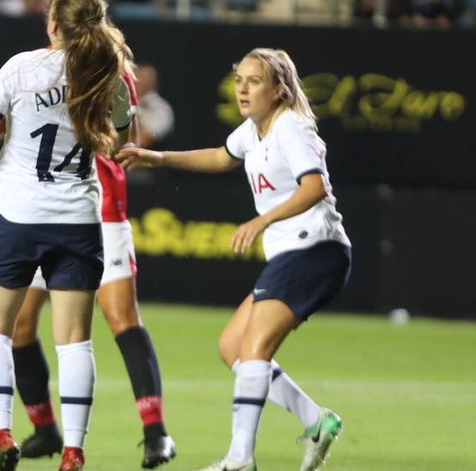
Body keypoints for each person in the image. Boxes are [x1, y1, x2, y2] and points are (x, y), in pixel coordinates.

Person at [117, 48, 351, 471]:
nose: (242, 88)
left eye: (254, 81)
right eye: (239, 80)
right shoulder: (254, 130)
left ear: (279, 90)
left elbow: (315, 187)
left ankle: (240, 458)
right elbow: (221, 156)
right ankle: (316, 421)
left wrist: (262, 221)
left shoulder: (290, 127)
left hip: (315, 249)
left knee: (256, 348)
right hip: (295, 253)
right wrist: (157, 156)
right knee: (232, 347)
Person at [0, 0, 127, 471]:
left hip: (16, 216)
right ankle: (73, 450)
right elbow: (118, 143)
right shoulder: (107, 74)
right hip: (77, 221)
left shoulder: (22, 68)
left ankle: (2, 435)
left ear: (52, 22)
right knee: (75, 340)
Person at [2, 47, 177, 469]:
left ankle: (156, 433)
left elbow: (124, 142)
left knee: (121, 317)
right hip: (44, 212)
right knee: (21, 324)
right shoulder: (39, 70)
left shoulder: (112, 74)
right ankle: (45, 429)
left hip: (101, 212)